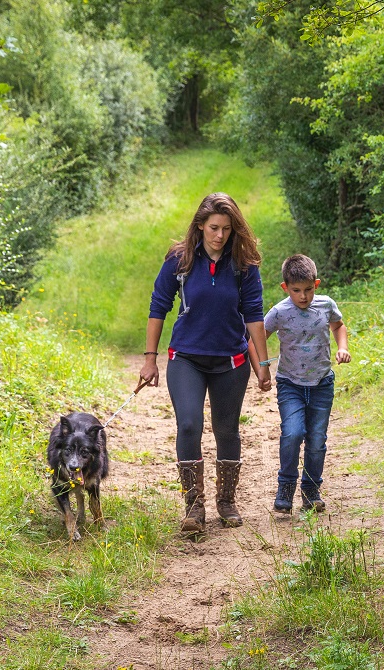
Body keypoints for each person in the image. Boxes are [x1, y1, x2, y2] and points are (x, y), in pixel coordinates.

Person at [139, 192, 272, 534]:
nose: (220, 235)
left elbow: (254, 314)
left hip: (231, 361)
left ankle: (226, 501)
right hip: (186, 359)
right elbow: (158, 306)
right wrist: (150, 359)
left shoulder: (244, 265)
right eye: (214, 228)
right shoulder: (179, 260)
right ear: (200, 225)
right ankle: (194, 506)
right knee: (188, 425)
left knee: (227, 429)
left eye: (227, 229)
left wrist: (263, 364)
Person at [263, 254, 350, 513]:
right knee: (292, 433)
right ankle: (286, 486)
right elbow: (258, 337)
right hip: (290, 383)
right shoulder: (279, 312)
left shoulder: (326, 305)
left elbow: (338, 326)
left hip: (322, 383)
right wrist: (262, 367)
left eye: (309, 289)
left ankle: (311, 490)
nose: (303, 296)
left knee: (316, 440)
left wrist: (342, 347)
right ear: (285, 287)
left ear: (316, 284)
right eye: (296, 290)